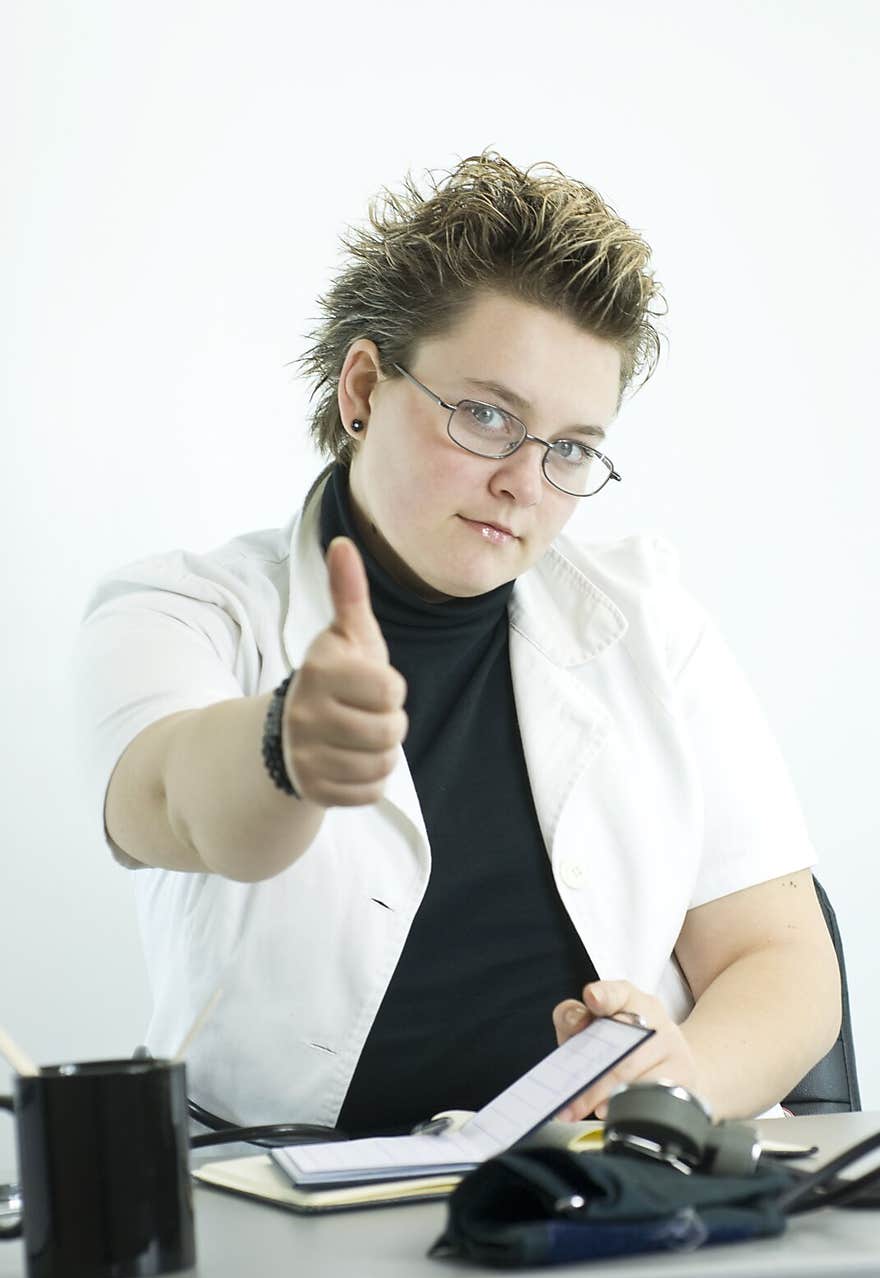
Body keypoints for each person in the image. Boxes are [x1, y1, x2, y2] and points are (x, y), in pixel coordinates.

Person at [70, 149, 841, 1139]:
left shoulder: (650, 620)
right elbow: (164, 800)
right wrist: (284, 749)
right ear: (362, 385)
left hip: (597, 1195)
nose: (525, 479)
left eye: (569, 446)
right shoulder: (180, 609)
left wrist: (674, 1075)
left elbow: (780, 960)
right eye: (486, 415)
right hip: (293, 1209)